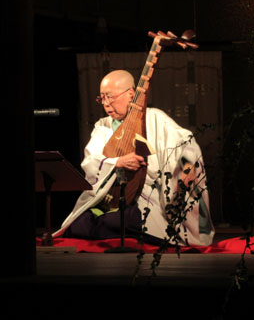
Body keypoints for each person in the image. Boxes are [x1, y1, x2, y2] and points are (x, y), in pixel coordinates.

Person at [52, 70, 214, 246]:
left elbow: (185, 143)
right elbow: (91, 161)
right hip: (110, 198)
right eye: (102, 98)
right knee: (78, 225)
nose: (106, 104)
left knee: (119, 221)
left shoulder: (154, 118)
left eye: (110, 97)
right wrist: (117, 162)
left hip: (147, 198)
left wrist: (187, 168)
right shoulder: (103, 126)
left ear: (131, 94)